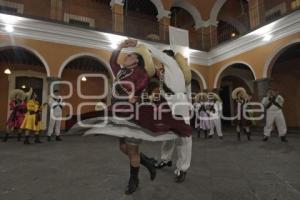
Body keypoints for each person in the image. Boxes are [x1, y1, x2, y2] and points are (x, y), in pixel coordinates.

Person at [151, 49, 193, 183]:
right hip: (166, 104)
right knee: (167, 134)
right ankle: (165, 159)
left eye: (164, 58)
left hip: (179, 102)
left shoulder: (177, 70)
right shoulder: (163, 73)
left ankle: (183, 168)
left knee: (183, 137)